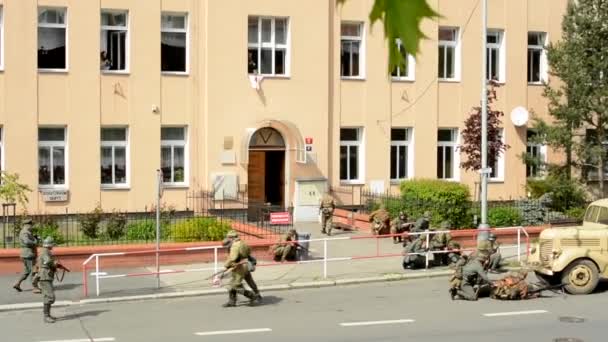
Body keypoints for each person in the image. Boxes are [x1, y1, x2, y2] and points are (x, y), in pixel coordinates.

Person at [222, 230, 261, 307]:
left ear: (232, 238)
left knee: (233, 285)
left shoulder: (235, 245)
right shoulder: (243, 243)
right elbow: (249, 251)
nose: (227, 239)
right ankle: (257, 294)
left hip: (239, 267)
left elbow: (232, 258)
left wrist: (226, 266)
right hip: (246, 265)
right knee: (250, 281)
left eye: (228, 237)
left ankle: (252, 296)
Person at [38, 237, 69, 323]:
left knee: (48, 296)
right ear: (49, 244)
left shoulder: (46, 251)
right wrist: (55, 264)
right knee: (50, 296)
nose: (53, 246)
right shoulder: (45, 252)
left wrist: (56, 265)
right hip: (45, 276)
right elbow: (48, 261)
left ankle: (48, 315)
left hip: (47, 275)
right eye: (52, 244)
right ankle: (46, 316)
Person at [13, 218, 41, 293]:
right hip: (28, 254)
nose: (32, 226)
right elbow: (27, 242)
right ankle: (35, 287)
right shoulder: (25, 232)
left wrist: (34, 237)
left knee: (27, 271)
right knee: (33, 271)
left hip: (27, 254)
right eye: (31, 225)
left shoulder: (27, 232)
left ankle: (17, 284)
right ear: (28, 225)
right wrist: (35, 241)